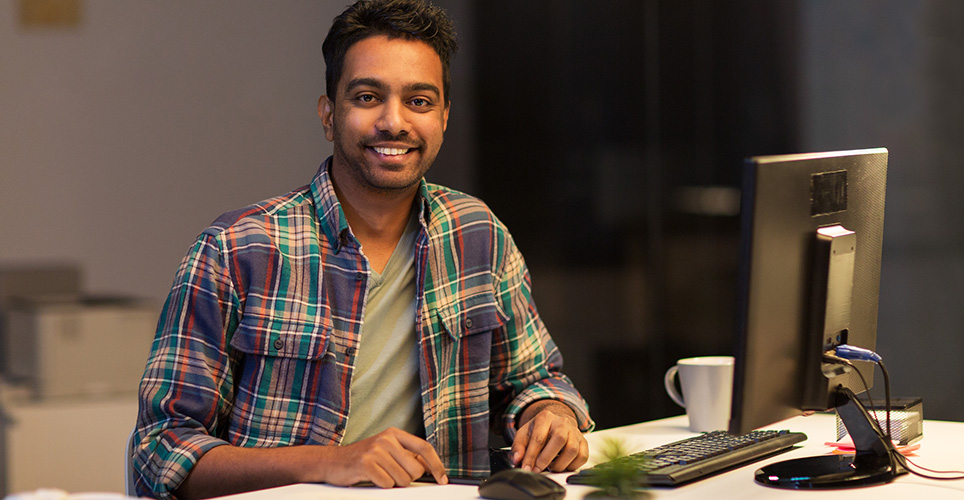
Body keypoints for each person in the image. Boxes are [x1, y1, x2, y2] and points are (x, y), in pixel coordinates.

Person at [132, 1, 593, 498]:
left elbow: (536, 380)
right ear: (328, 115)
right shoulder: (236, 251)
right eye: (368, 96)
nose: (394, 122)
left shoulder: (477, 234)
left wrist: (553, 414)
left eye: (419, 101)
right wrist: (329, 463)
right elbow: (160, 451)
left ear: (443, 117)